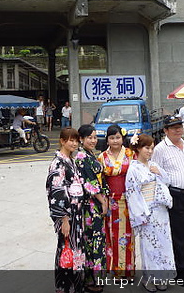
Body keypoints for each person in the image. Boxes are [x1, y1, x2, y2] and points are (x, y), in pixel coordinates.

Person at [152, 116, 184, 285]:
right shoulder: (160, 149)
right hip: (175, 195)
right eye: (173, 127)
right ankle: (178, 271)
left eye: (179, 126)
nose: (178, 130)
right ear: (165, 130)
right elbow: (155, 174)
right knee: (178, 234)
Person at [126, 134, 175, 292]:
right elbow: (132, 193)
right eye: (147, 148)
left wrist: (159, 173)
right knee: (150, 247)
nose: (150, 151)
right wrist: (141, 215)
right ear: (138, 149)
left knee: (164, 244)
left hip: (160, 210)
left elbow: (167, 181)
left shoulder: (153, 165)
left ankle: (162, 277)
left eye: (152, 148)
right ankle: (149, 278)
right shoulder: (133, 168)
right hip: (146, 211)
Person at [46, 127, 85, 293]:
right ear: (62, 141)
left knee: (75, 249)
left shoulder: (70, 160)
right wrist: (64, 219)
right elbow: (57, 192)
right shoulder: (58, 163)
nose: (74, 143)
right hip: (68, 215)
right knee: (66, 248)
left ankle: (75, 285)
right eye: (71, 140)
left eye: (76, 140)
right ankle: (64, 286)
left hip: (77, 213)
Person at [97, 124, 135, 278]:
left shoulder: (130, 153)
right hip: (110, 200)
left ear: (122, 138)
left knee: (127, 235)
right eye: (111, 138)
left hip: (128, 199)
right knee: (111, 235)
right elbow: (99, 181)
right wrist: (103, 201)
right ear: (107, 140)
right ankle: (114, 269)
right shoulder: (102, 157)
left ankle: (128, 269)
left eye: (118, 137)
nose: (115, 140)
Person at [74, 124, 108, 293]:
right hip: (90, 207)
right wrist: (102, 200)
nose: (93, 140)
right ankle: (91, 281)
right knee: (92, 243)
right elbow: (89, 183)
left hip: (96, 205)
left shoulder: (90, 155)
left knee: (97, 241)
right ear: (81, 139)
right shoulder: (81, 157)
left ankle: (96, 278)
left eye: (95, 137)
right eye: (90, 137)